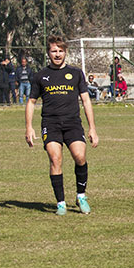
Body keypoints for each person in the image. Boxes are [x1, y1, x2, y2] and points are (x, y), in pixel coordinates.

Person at [25, 35, 98, 216]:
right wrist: (29, 127)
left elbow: (86, 100)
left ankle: (81, 196)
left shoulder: (75, 73)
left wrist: (93, 128)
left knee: (80, 156)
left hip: (73, 123)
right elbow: (31, 102)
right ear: (48, 53)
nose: (57, 54)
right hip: (51, 124)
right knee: (55, 159)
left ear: (65, 52)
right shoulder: (41, 76)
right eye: (53, 51)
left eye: (60, 51)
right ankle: (61, 203)